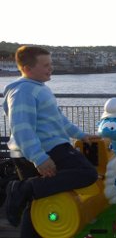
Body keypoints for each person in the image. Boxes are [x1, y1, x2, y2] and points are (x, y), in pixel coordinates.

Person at [2, 46, 99, 237]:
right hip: (43, 151)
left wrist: (81, 135)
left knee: (40, 199)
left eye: (51, 64)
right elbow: (22, 128)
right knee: (87, 173)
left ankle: (25, 193)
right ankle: (22, 188)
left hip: (44, 149)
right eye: (46, 65)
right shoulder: (23, 91)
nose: (51, 68)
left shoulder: (38, 88)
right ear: (28, 68)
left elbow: (59, 120)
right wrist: (39, 158)